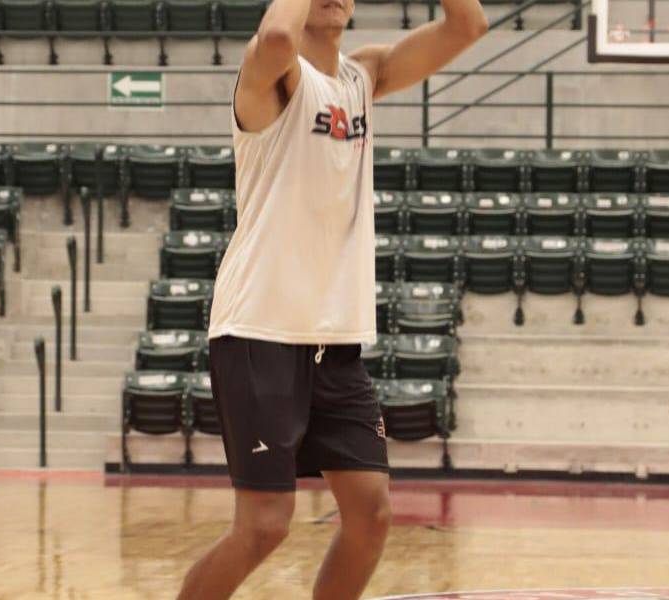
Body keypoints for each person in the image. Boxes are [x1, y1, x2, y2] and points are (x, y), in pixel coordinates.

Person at [175, 0, 487, 596]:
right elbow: (275, 37)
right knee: (265, 525)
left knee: (371, 515)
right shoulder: (272, 73)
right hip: (260, 330)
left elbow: (467, 26)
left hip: (334, 341)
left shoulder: (363, 76)